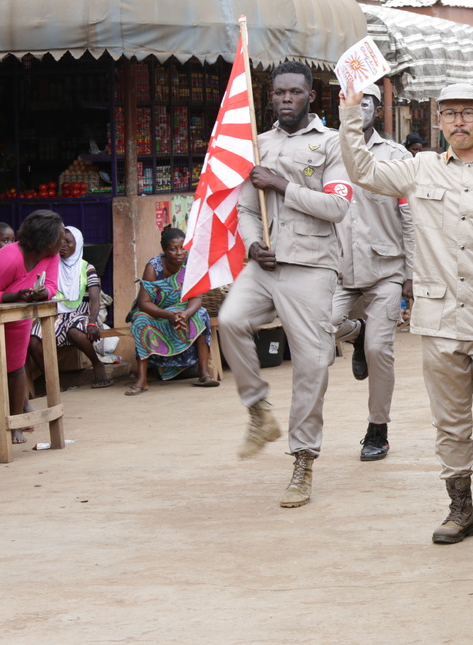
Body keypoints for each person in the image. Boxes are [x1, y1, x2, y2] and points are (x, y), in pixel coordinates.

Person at [338, 82, 473, 545]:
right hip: (439, 319)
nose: (458, 121)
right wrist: (351, 114)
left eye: (468, 113)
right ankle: (460, 510)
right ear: (439, 121)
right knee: (450, 421)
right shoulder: (418, 169)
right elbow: (362, 170)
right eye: (449, 113)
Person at [218, 61, 353, 508]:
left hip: (312, 266)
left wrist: (281, 183)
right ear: (270, 97)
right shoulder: (257, 145)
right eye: (279, 93)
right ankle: (258, 410)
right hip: (265, 265)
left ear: (310, 96)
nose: (287, 99)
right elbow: (246, 209)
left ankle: (303, 461)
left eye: (295, 92)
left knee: (311, 367)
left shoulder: (334, 144)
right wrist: (253, 245)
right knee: (230, 320)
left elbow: (336, 207)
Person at [332, 84, 414, 462]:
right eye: (351, 102)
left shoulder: (395, 156)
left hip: (386, 268)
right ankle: (357, 333)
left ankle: (377, 429)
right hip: (338, 267)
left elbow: (410, 219)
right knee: (322, 324)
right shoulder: (329, 151)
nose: (358, 108)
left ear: (377, 110)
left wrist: (412, 273)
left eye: (365, 103)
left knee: (381, 350)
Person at [0, 209, 63, 444]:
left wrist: (43, 293)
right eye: (59, 235)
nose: (63, 240)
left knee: (15, 370)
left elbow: (53, 286)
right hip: (2, 315)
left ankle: (16, 424)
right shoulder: (9, 257)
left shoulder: (51, 256)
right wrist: (14, 296)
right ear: (45, 240)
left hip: (20, 320)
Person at [126, 227, 217, 395]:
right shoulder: (153, 268)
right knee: (139, 321)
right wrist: (168, 315)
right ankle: (142, 380)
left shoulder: (191, 265)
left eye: (182, 248)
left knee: (201, 314)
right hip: (157, 313)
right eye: (173, 249)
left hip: (181, 311)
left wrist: (185, 314)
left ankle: (204, 374)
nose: (179, 253)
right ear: (164, 250)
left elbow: (196, 298)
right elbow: (144, 303)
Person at [28, 226, 112, 390]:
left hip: (82, 314)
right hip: (55, 314)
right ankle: (52, 379)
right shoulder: (51, 265)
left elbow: (95, 298)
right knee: (33, 341)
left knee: (75, 332)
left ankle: (97, 364)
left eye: (69, 242)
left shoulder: (87, 268)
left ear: (78, 244)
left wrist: (93, 322)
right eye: (60, 241)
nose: (63, 245)